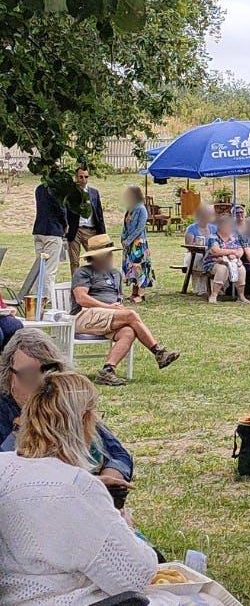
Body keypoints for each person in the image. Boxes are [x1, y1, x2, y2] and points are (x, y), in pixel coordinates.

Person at [0, 372, 173, 605]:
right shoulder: (75, 488)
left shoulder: (5, 466)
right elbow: (137, 576)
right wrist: (124, 523)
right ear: (83, 420)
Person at [0, 330, 134, 492]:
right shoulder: (4, 410)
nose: (41, 383)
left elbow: (119, 456)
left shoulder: (66, 403)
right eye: (29, 375)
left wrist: (105, 481)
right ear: (8, 376)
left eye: (49, 372)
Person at [71, 234, 179, 386]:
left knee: (129, 331)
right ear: (96, 256)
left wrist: (116, 307)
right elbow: (81, 299)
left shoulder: (115, 273)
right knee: (130, 314)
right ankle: (158, 352)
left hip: (107, 317)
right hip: (85, 316)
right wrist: (109, 307)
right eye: (107, 254)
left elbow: (117, 297)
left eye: (111, 253)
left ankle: (107, 370)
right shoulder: (84, 272)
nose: (110, 256)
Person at [24, 179, 69, 296]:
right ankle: (48, 296)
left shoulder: (39, 188)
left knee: (39, 266)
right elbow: (61, 209)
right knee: (50, 268)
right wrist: (65, 224)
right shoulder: (57, 189)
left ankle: (36, 294)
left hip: (39, 229)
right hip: (53, 231)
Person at [64, 166, 106, 266]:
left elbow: (99, 213)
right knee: (74, 261)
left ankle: (97, 281)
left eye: (86, 177)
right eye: (81, 177)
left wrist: (102, 232)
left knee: (96, 259)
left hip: (91, 230)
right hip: (75, 230)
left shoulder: (94, 192)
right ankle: (76, 281)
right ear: (76, 177)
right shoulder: (70, 193)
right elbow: (65, 210)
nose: (83, 180)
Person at [118, 186, 153, 304]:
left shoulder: (141, 209)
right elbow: (125, 225)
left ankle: (141, 294)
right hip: (128, 244)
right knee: (131, 268)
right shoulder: (130, 208)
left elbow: (139, 228)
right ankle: (134, 292)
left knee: (140, 268)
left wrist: (129, 240)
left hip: (138, 244)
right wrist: (123, 238)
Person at [204, 212, 248, 304]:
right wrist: (231, 252)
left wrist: (235, 255)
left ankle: (241, 296)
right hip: (214, 262)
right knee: (222, 269)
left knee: (241, 269)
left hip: (232, 262)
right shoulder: (213, 237)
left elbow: (240, 251)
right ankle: (214, 295)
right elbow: (215, 251)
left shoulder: (234, 238)